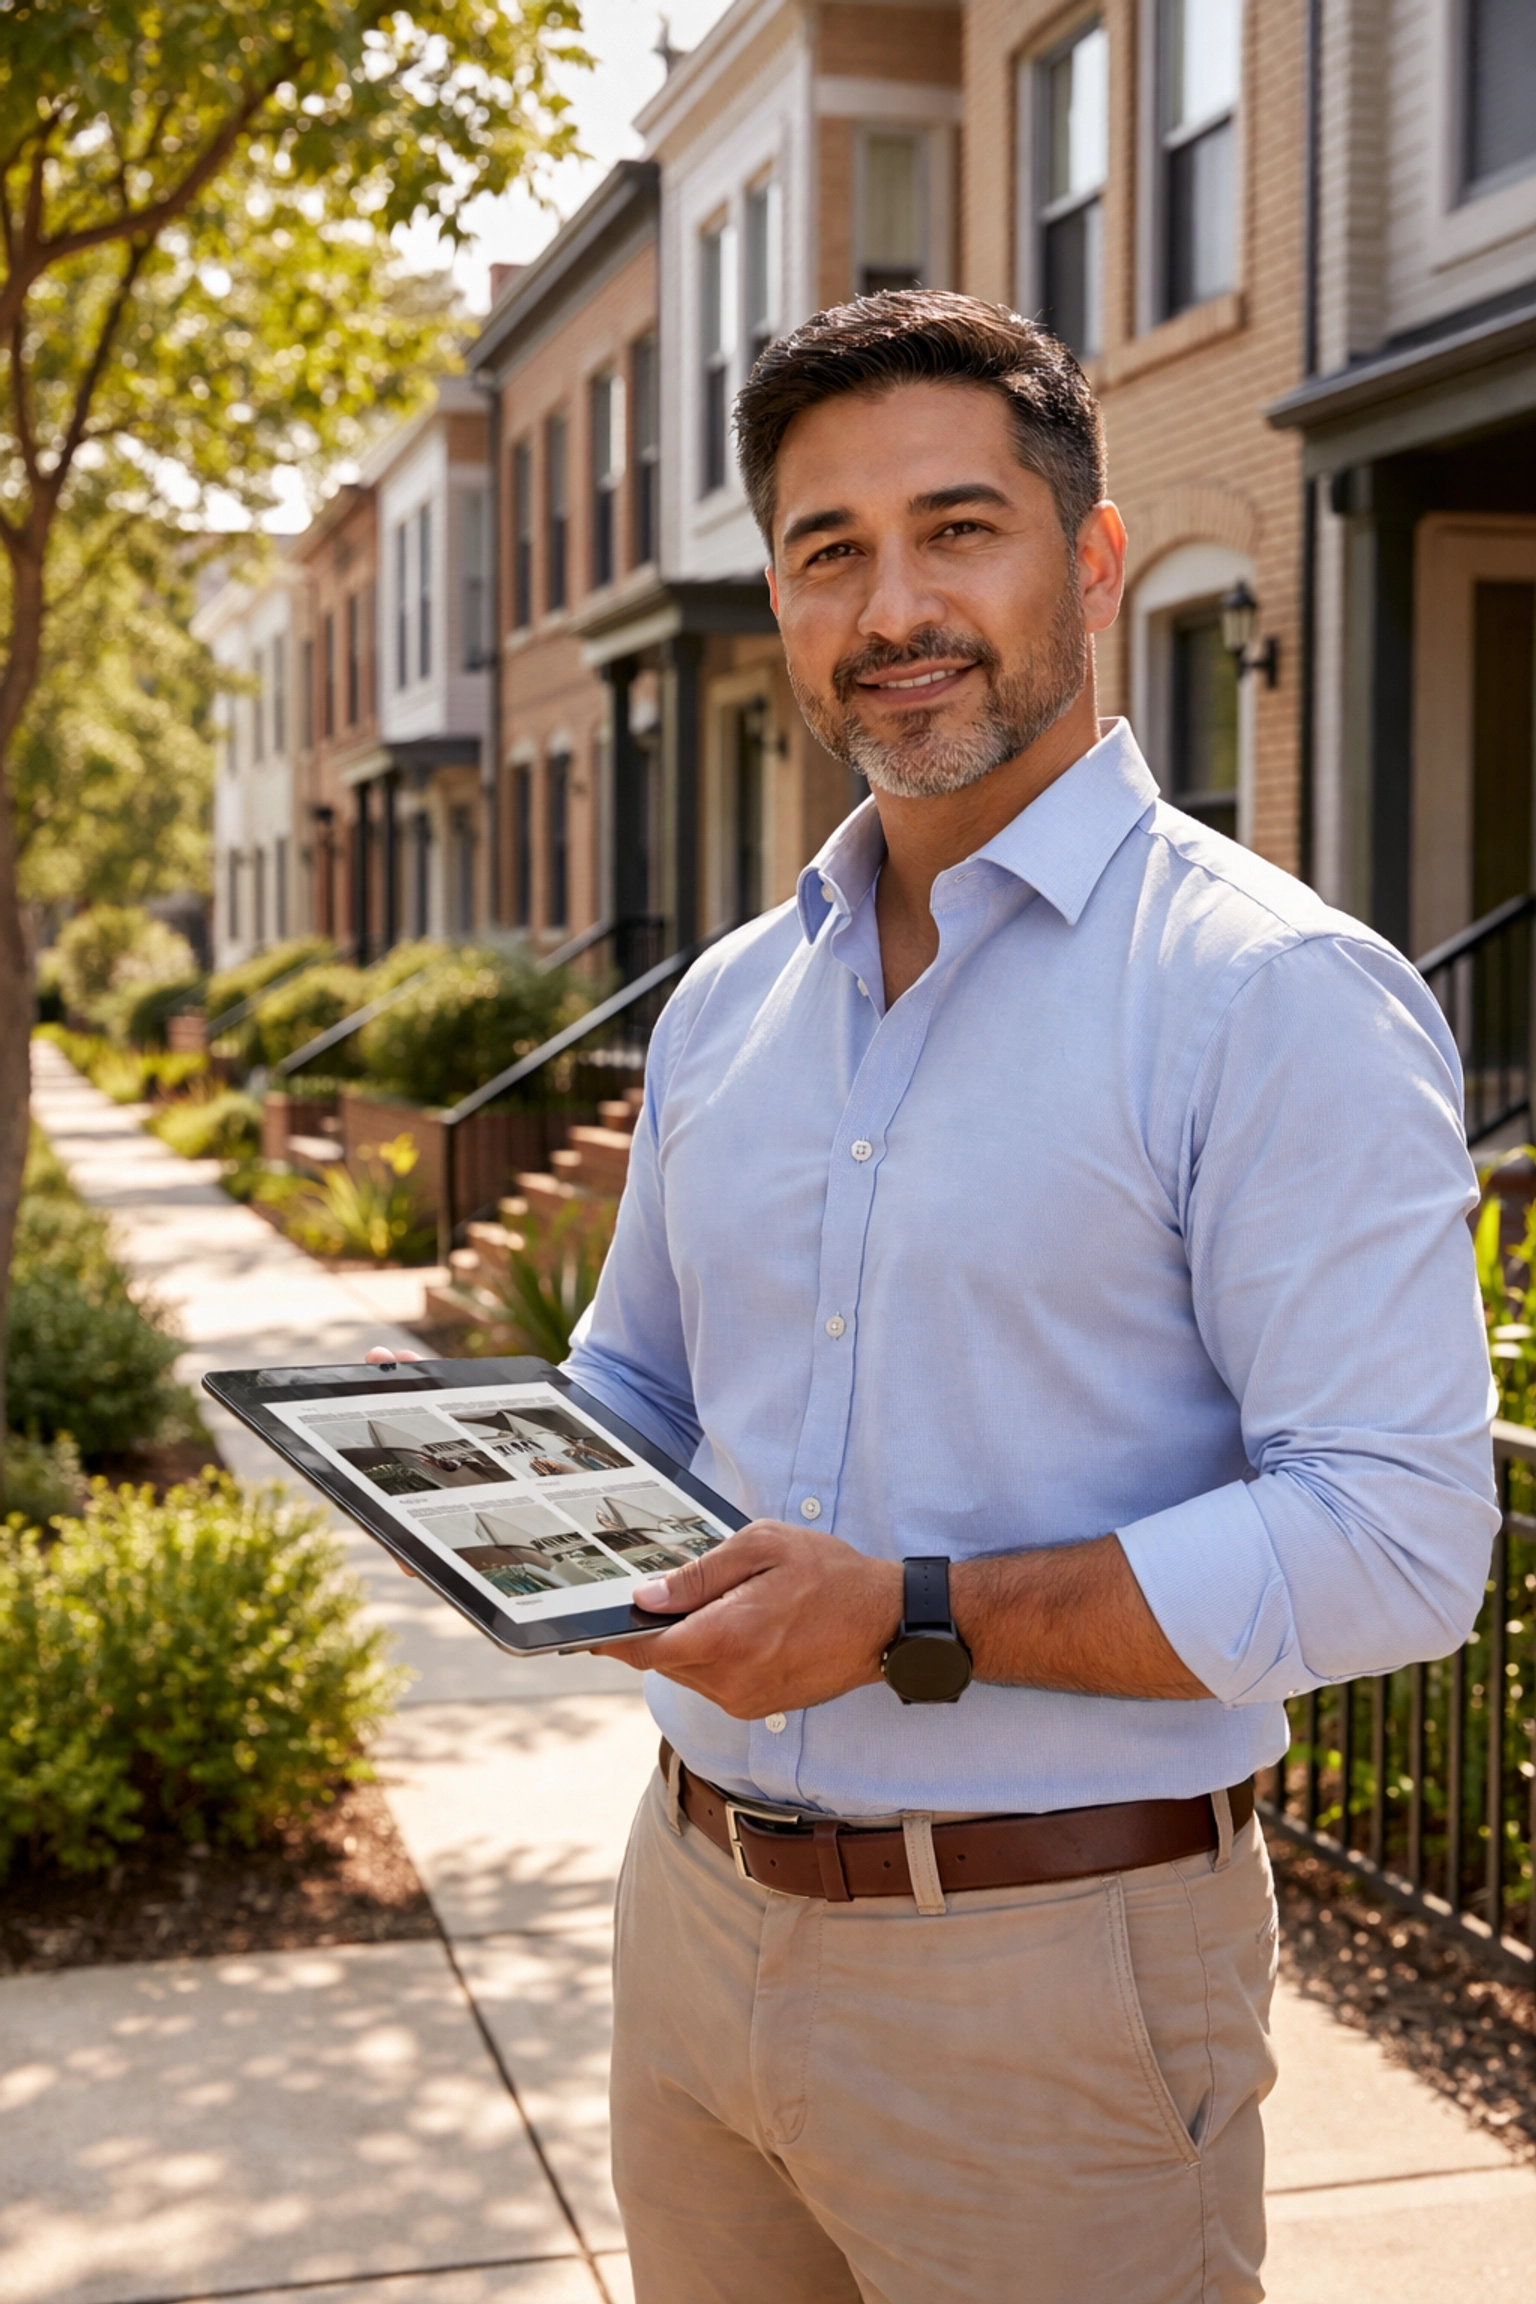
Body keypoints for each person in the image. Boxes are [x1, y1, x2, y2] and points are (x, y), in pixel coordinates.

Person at [380, 293, 1498, 2302]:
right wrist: (491, 1499)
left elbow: (1402, 1540)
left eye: (956, 529)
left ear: (1088, 559)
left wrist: (903, 1615)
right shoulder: (733, 998)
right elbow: (634, 1378)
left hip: (1055, 1983)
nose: (892, 605)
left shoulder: (1267, 997)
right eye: (830, 552)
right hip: (692, 1922)